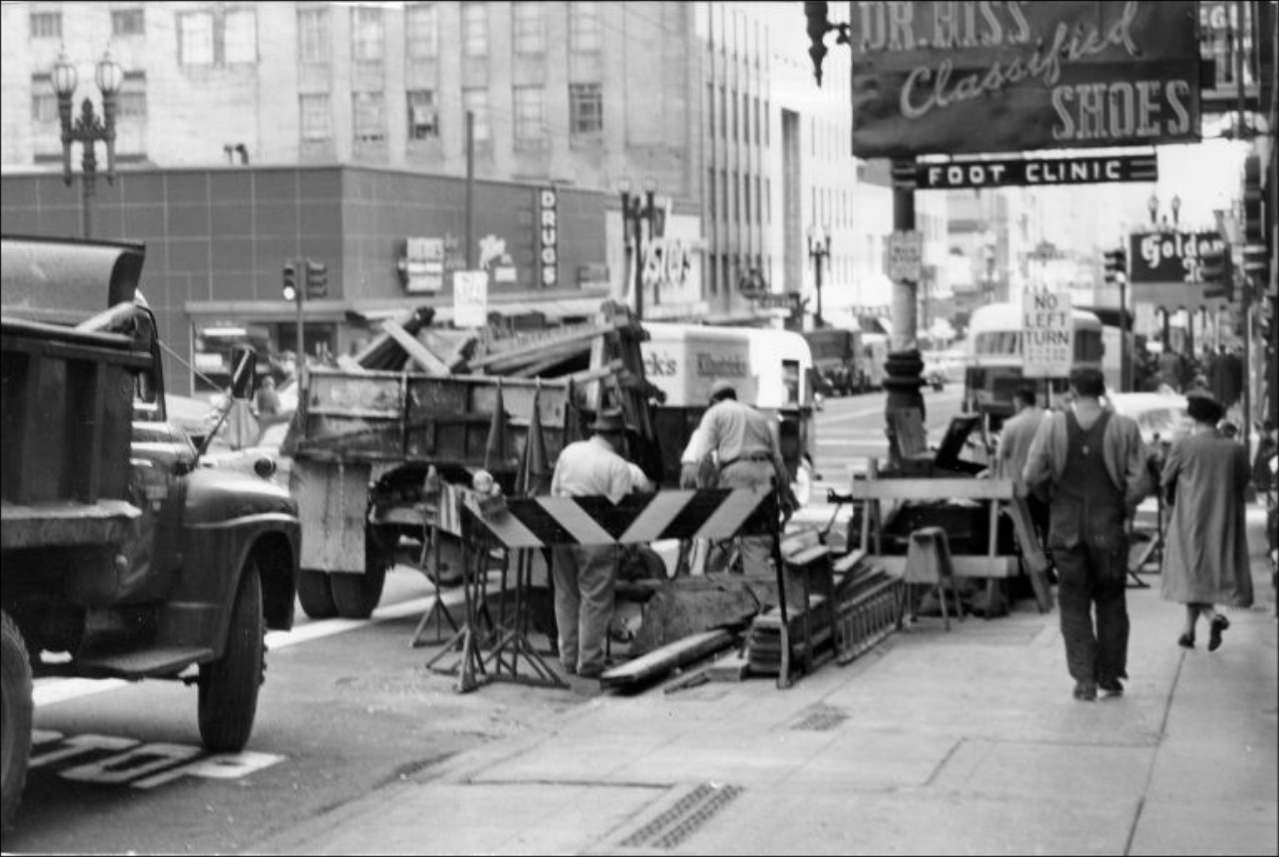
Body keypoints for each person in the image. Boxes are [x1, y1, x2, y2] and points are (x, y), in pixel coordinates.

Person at [1024, 367, 1150, 701]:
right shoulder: (1124, 427)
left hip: (1066, 531)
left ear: (1073, 392)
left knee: (1073, 602)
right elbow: (1139, 482)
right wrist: (1121, 505)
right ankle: (1110, 675)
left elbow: (1031, 474)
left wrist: (1049, 497)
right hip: (1108, 532)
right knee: (1111, 601)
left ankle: (1084, 679)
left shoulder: (1052, 426)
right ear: (1102, 390)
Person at [549, 409, 642, 679]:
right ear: (618, 437)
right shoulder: (617, 466)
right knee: (595, 599)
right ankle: (589, 661)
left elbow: (555, 492)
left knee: (565, 594)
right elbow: (619, 512)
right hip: (596, 537)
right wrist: (629, 546)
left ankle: (568, 658)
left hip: (562, 529)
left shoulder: (570, 452)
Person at [1159, 389, 1253, 651]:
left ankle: (1213, 618)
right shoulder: (1234, 448)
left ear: (1194, 419)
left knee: (1191, 574)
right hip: (1223, 519)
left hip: (1190, 519)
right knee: (1202, 576)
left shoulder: (1184, 445)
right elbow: (1244, 480)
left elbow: (1165, 478)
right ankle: (1188, 632)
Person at [679, 380, 792, 577]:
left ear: (714, 400)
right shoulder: (757, 416)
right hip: (765, 476)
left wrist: (705, 494)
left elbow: (704, 457)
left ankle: (708, 590)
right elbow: (778, 462)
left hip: (736, 474)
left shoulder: (715, 413)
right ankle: (762, 599)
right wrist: (785, 497)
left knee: (720, 537)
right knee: (757, 542)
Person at [999, 387, 1048, 546]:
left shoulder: (1011, 425)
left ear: (1020, 402)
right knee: (1048, 526)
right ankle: (1050, 559)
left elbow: (1001, 454)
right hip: (1048, 484)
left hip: (1021, 487)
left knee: (1027, 530)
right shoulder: (1050, 420)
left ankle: (1032, 565)